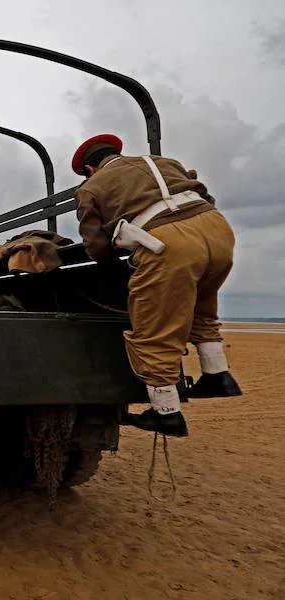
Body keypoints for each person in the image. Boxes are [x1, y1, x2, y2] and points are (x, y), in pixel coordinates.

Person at [72, 134, 242, 437]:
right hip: (217, 229)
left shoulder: (91, 187)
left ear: (89, 168)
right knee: (202, 302)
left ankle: (166, 412)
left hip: (167, 241)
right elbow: (203, 193)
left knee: (154, 328)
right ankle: (217, 374)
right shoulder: (166, 163)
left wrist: (112, 256)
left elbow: (96, 245)